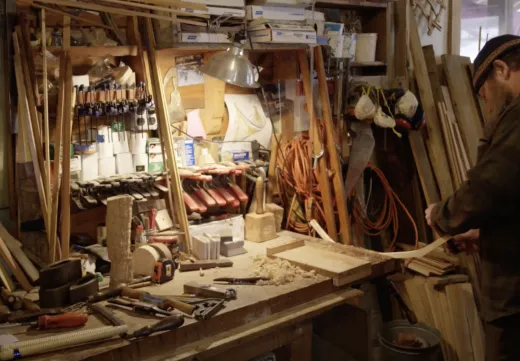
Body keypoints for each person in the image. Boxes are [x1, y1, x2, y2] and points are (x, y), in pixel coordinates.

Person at [424, 35, 520, 361]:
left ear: (501, 69)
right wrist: (485, 235)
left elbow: (488, 185)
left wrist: (443, 216)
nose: (488, 107)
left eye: (485, 95)